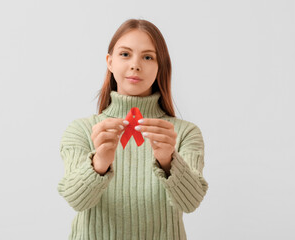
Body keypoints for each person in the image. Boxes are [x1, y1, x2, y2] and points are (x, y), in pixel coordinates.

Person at [57, 18, 209, 240]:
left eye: (148, 57)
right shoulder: (82, 130)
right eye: (125, 54)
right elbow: (76, 200)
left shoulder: (184, 133)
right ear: (110, 62)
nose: (135, 64)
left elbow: (191, 202)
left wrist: (168, 161)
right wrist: (99, 163)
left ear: (160, 67)